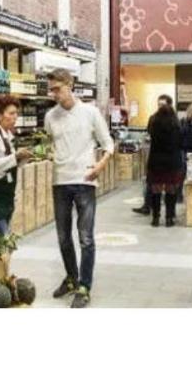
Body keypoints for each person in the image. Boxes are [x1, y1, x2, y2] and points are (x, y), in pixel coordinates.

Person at [44, 69, 114, 308]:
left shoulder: (90, 112)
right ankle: (72, 278)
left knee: (85, 237)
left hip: (85, 180)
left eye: (58, 89)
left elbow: (108, 144)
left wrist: (100, 166)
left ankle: (85, 286)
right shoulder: (50, 117)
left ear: (70, 85)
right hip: (60, 181)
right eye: (51, 89)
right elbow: (49, 143)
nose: (54, 94)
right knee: (63, 237)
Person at [0, 95, 33, 235]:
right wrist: (15, 156)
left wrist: (24, 159)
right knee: (2, 238)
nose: (15, 117)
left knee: (1, 239)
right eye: (11, 113)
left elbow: (10, 164)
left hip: (7, 197)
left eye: (16, 113)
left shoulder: (8, 135)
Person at [132, 94, 174, 215]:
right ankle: (148, 206)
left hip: (169, 158)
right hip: (155, 156)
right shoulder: (153, 118)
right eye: (159, 104)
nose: (160, 107)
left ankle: (170, 213)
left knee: (169, 186)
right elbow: (149, 133)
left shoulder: (174, 120)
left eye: (163, 105)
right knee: (151, 182)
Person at [147, 100, 184, 227]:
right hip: (172, 162)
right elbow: (181, 143)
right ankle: (169, 217)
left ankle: (155, 218)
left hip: (155, 162)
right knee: (171, 190)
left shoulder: (153, 125)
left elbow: (149, 136)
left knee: (155, 190)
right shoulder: (176, 126)